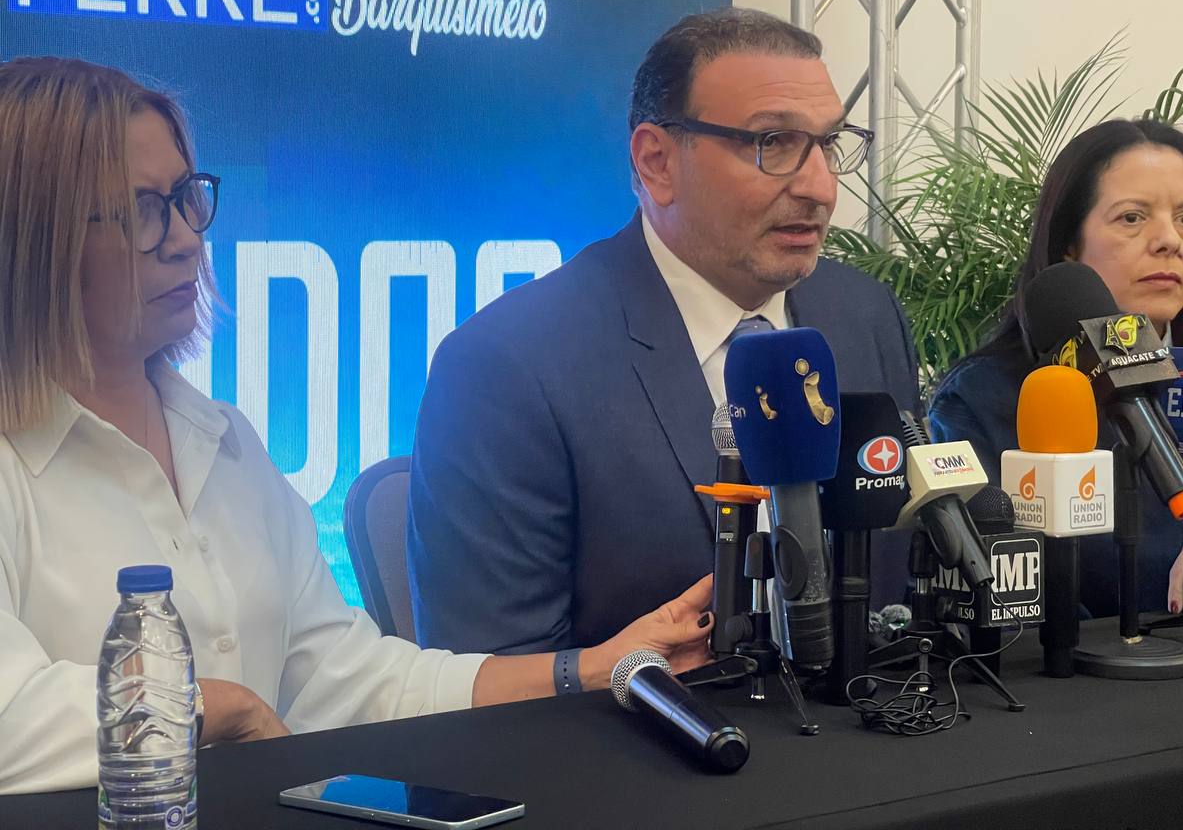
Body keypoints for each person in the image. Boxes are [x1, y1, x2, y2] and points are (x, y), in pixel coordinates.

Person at [0, 57, 714, 796]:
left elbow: (352, 681)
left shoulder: (226, 441)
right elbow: (10, 718)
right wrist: (221, 709)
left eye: (185, 198)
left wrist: (592, 670)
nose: (185, 238)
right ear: (26, 241)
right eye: (139, 211)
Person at [409, 7, 921, 658]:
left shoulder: (864, 315)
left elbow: (897, 596)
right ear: (657, 162)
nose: (821, 187)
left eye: (829, 144)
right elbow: (495, 680)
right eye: (774, 143)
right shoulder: (508, 367)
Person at [928, 117, 1183, 616]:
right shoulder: (983, 397)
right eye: (1132, 218)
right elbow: (1001, 601)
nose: (1169, 240)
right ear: (1069, 245)